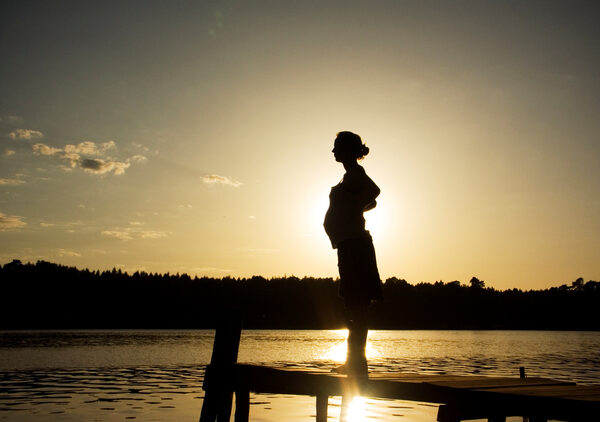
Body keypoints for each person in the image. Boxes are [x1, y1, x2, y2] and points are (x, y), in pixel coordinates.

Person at [323, 131, 383, 376]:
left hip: (356, 247)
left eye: (336, 146)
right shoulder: (350, 175)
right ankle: (355, 362)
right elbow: (370, 200)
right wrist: (356, 208)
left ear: (348, 149)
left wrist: (355, 208)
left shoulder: (356, 173)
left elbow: (374, 191)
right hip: (349, 246)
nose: (333, 151)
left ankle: (357, 363)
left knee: (357, 306)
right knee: (353, 306)